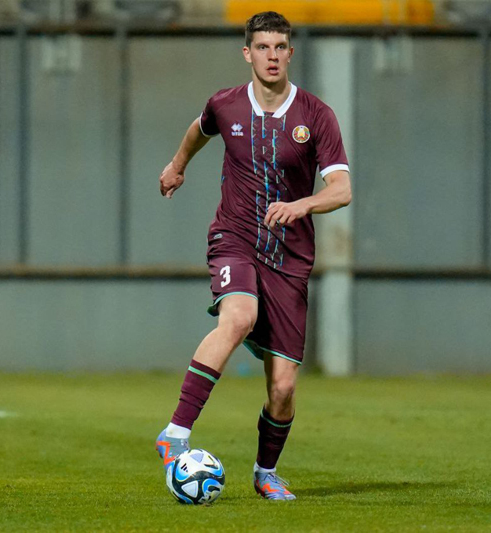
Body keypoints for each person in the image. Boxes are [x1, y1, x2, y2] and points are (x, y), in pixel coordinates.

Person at [155, 11, 351, 501]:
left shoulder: (316, 115)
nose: (272, 56)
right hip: (235, 237)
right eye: (262, 47)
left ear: (290, 53)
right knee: (239, 317)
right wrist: (177, 166)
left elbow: (342, 189)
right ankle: (175, 432)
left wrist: (302, 204)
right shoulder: (225, 105)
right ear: (248, 53)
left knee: (282, 388)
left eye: (280, 47)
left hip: (290, 258)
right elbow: (199, 129)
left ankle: (266, 473)